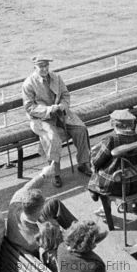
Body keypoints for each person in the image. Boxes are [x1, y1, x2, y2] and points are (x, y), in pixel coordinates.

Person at [22, 55, 92, 188]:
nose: (44, 69)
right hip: (40, 118)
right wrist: (48, 109)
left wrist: (63, 106)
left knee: (81, 129)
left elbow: (65, 95)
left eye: (46, 66)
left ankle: (84, 163)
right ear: (34, 67)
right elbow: (29, 107)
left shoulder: (56, 77)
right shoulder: (29, 83)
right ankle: (55, 173)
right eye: (41, 66)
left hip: (60, 114)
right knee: (53, 138)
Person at [87, 110, 137, 214]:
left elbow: (96, 162)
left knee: (97, 169)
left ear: (113, 124)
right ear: (132, 123)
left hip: (115, 187)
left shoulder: (111, 140)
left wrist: (92, 155)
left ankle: (93, 190)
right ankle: (133, 208)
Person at [6, 167, 77, 255]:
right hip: (36, 246)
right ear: (39, 211)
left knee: (54, 203)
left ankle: (79, 229)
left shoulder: (15, 204)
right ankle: (80, 236)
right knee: (56, 230)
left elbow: (27, 187)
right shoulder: (38, 237)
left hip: (20, 233)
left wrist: (43, 175)